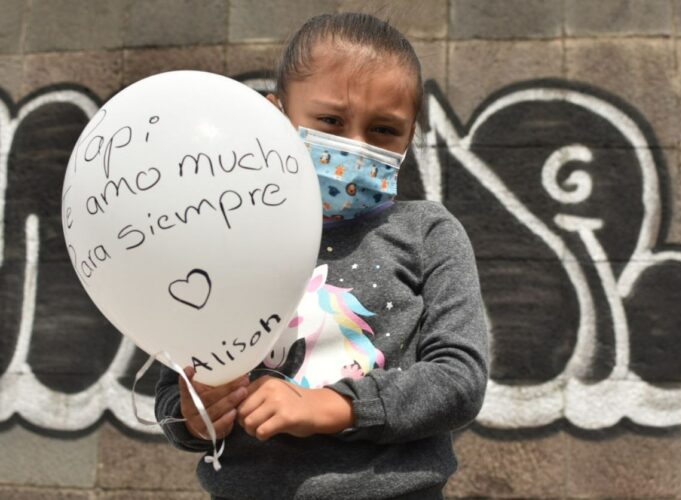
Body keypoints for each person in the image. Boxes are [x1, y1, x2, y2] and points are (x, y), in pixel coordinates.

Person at [154, 12, 488, 500]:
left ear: (410, 137)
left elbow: (459, 380)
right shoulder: (224, 238)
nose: (354, 146)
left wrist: (333, 407)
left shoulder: (428, 233)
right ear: (275, 116)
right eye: (330, 121)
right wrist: (196, 412)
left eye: (384, 130)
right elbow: (172, 397)